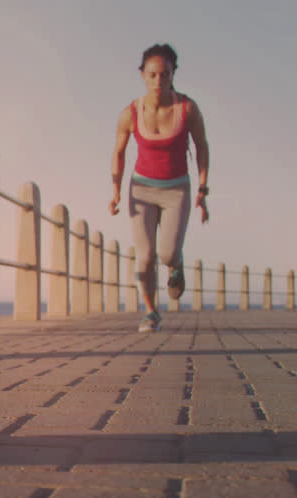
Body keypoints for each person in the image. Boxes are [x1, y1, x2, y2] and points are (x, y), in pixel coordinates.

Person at [109, 43, 210, 332]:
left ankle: (175, 264)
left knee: (166, 253)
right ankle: (151, 312)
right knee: (145, 255)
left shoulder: (187, 108)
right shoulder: (130, 112)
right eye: (152, 74)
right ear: (142, 74)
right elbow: (118, 152)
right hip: (141, 188)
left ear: (172, 74)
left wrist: (202, 190)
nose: (158, 81)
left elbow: (202, 146)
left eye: (164, 75)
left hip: (177, 189)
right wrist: (116, 191)